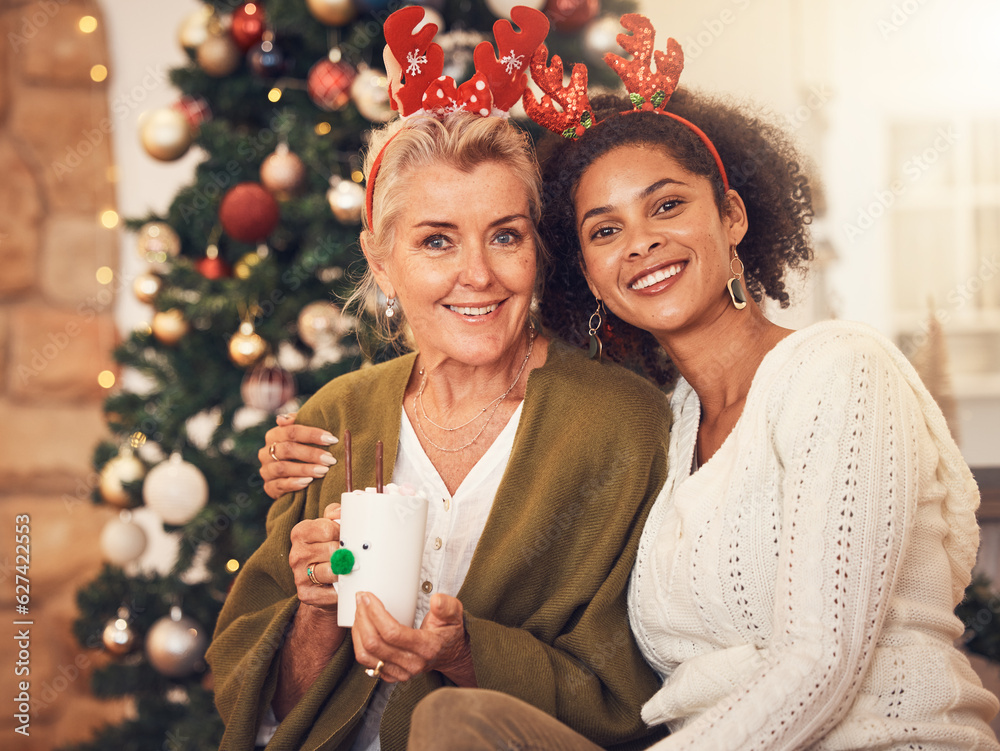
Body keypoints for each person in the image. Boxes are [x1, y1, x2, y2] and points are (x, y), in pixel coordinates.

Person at [401, 15, 1000, 751]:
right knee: (457, 723)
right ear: (589, 273)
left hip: (876, 741)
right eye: (605, 230)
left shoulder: (841, 369)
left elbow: (822, 663)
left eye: (667, 205)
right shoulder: (668, 425)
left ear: (733, 214)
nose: (642, 241)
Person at [207, 107, 674, 751]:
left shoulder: (624, 424)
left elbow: (632, 698)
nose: (478, 274)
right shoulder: (336, 419)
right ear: (381, 259)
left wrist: (462, 653)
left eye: (505, 236)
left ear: (537, 246)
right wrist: (316, 612)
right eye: (437, 241)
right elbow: (259, 708)